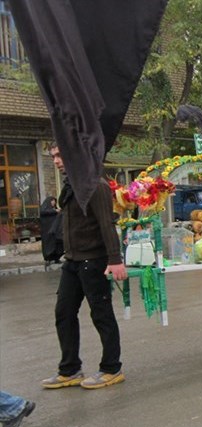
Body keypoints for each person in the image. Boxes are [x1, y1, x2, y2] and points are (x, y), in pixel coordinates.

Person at [42, 143, 128, 389]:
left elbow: (107, 223)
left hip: (94, 260)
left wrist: (115, 259)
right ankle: (70, 369)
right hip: (73, 261)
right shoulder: (71, 186)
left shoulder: (96, 185)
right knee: (64, 313)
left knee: (101, 314)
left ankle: (111, 368)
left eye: (60, 155)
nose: (56, 161)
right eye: (53, 156)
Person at [39, 195, 64, 265]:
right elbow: (43, 212)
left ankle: (56, 258)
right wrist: (54, 211)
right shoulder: (45, 210)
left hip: (55, 232)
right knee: (48, 246)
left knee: (58, 245)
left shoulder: (55, 210)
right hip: (47, 232)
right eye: (52, 201)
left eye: (54, 201)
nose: (53, 202)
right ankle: (48, 259)